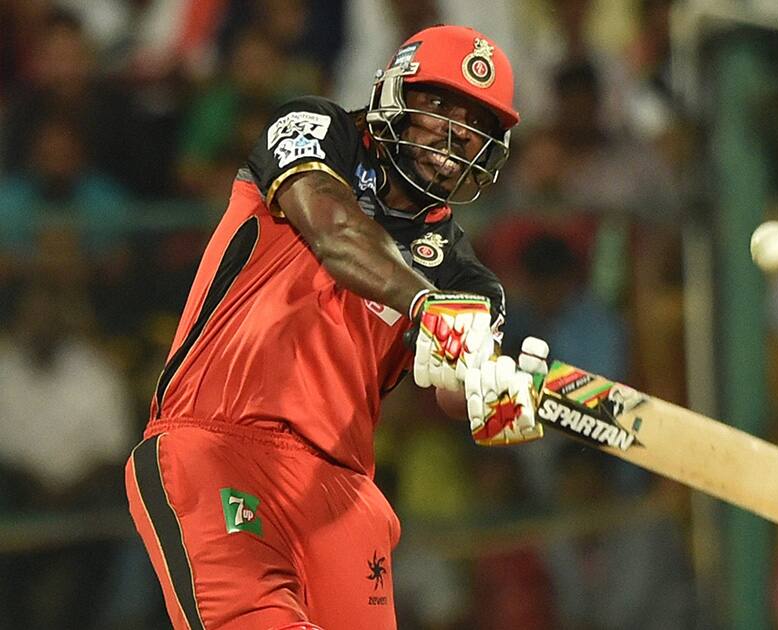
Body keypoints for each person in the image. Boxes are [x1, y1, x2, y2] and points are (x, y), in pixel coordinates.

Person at [123, 25, 547, 630]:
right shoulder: (320, 131)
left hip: (344, 498)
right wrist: (427, 307)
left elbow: (457, 393)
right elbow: (334, 230)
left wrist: (493, 396)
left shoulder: (470, 281)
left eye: (475, 122)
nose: (453, 139)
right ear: (396, 93)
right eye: (439, 108)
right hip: (218, 447)